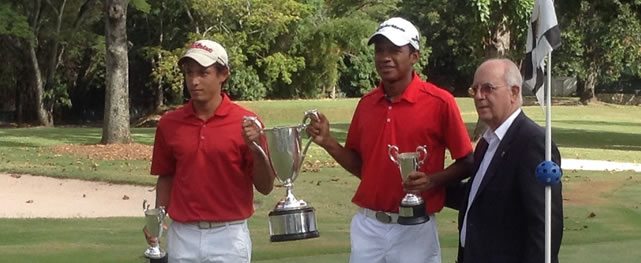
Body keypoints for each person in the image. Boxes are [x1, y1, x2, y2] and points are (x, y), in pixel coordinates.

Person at [306, 17, 473, 263]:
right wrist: (329, 142)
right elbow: (362, 167)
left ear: (414, 56)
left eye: (395, 50)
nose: (385, 57)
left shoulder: (440, 102)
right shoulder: (366, 104)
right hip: (368, 226)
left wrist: (431, 181)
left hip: (415, 227)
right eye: (380, 50)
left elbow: (467, 161)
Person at [143, 39, 275, 263]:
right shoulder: (170, 123)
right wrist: (158, 218)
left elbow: (265, 186)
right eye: (189, 73)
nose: (194, 81)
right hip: (182, 235)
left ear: (223, 74)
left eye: (203, 73)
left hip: (229, 235)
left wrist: (255, 148)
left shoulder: (246, 122)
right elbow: (166, 175)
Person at [451, 58, 563, 262]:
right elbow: (479, 198)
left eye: (488, 88)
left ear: (514, 92)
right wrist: (431, 184)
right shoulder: (487, 143)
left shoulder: (532, 143)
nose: (478, 96)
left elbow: (545, 225)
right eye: (474, 89)